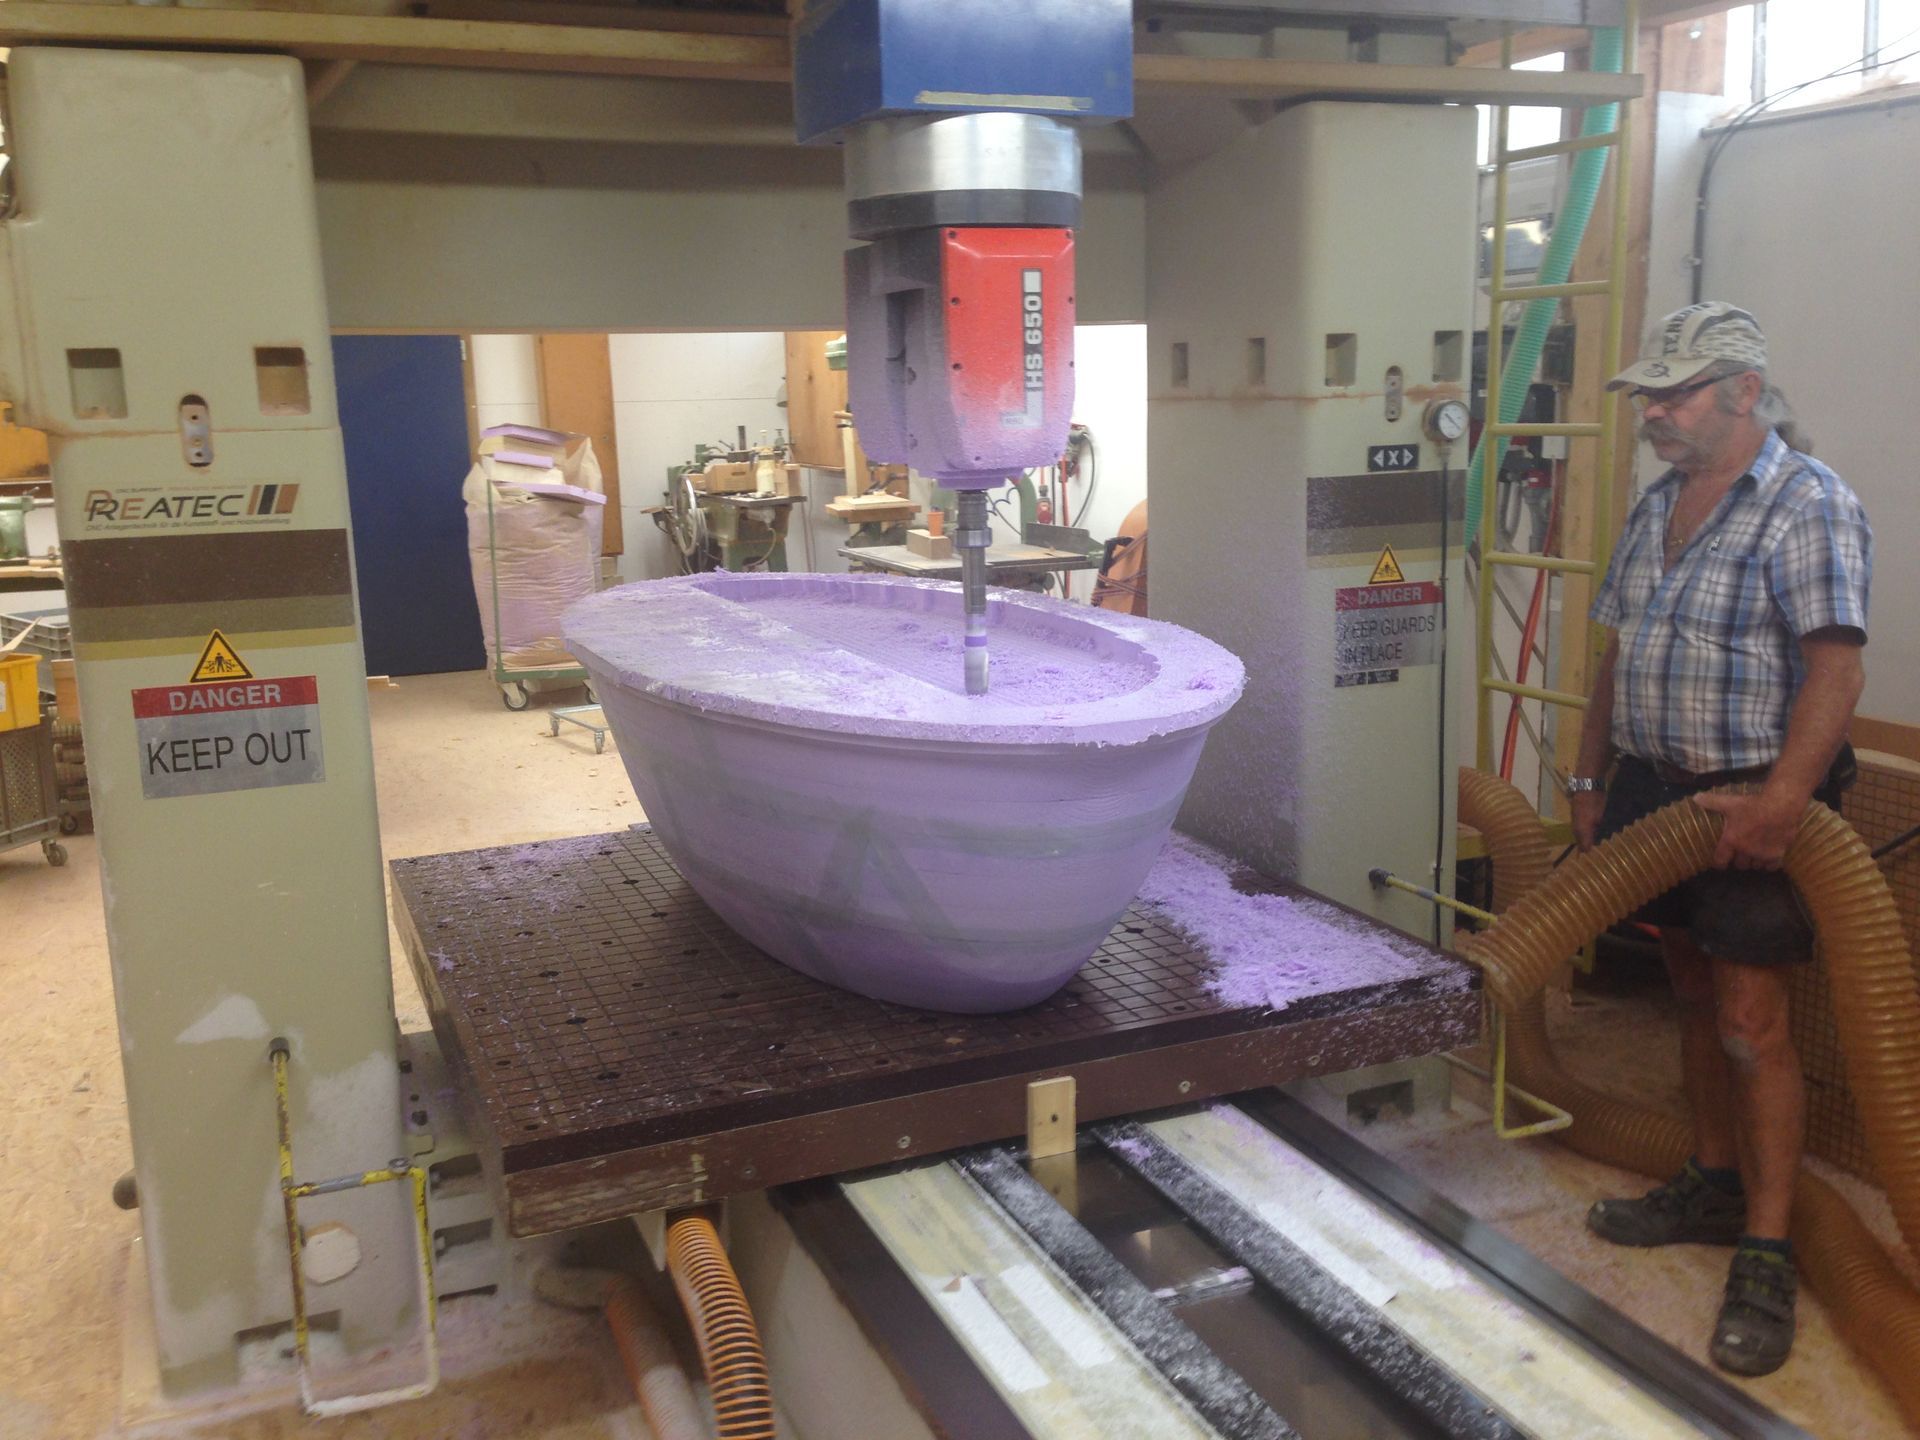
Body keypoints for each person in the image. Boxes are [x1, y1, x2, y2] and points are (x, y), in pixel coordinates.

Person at [1568, 302, 1872, 1378]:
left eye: (1676, 392)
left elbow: (1836, 667)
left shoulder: (1807, 504)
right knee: (1690, 992)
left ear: (1744, 390)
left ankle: (1769, 1244)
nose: (1654, 411)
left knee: (1751, 1020)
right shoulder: (1659, 505)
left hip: (1753, 795)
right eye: (1649, 393)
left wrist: (1785, 800)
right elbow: (1618, 650)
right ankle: (1708, 1176)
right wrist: (1590, 773)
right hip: (1657, 786)